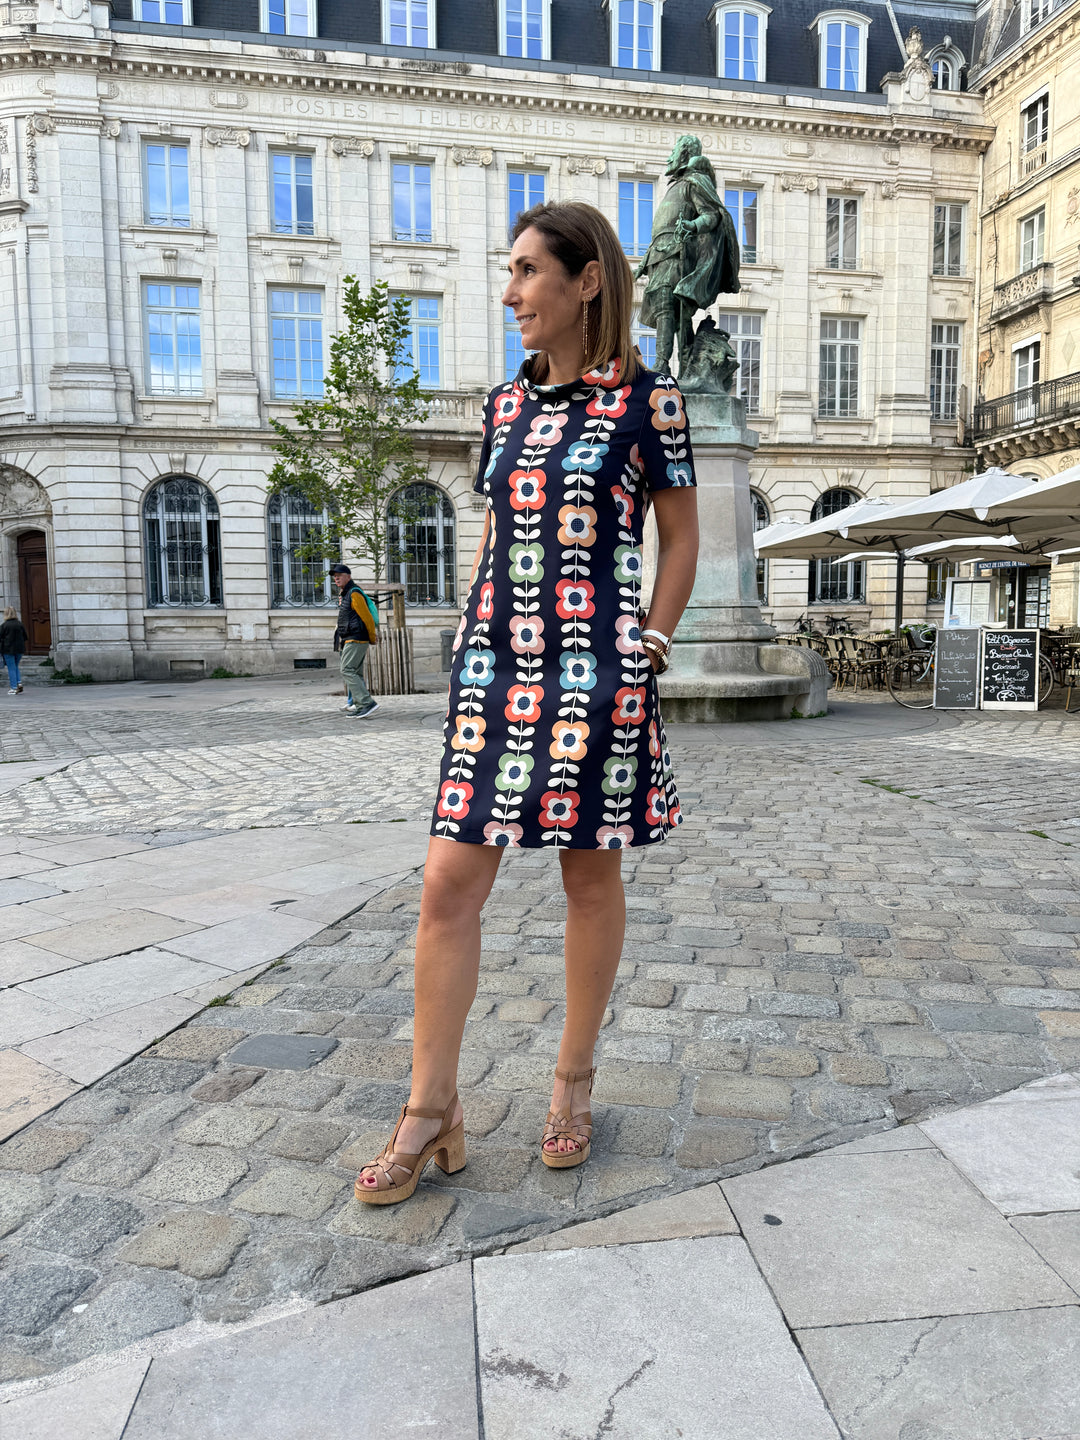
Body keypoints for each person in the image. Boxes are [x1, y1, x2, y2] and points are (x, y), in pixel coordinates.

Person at [355, 199, 699, 1205]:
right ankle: (432, 1108)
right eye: (509, 272)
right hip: (495, 670)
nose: (510, 292)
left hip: (597, 668)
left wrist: (650, 646)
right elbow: (499, 531)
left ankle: (573, 1081)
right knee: (446, 886)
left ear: (586, 281)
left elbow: (680, 537)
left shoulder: (648, 402)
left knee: (588, 880)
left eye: (526, 271)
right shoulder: (503, 406)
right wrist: (472, 635)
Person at [634, 134, 740, 375]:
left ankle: (662, 364)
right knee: (675, 315)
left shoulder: (694, 181)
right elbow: (658, 235)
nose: (669, 158)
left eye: (673, 152)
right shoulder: (676, 186)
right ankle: (687, 367)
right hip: (660, 256)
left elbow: (712, 215)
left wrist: (692, 226)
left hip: (678, 253)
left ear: (683, 154)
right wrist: (641, 266)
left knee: (668, 306)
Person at [330, 563, 380, 719]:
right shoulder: (346, 594)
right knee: (355, 672)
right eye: (335, 577)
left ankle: (366, 703)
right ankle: (360, 706)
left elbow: (367, 617)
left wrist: (371, 636)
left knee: (347, 669)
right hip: (350, 637)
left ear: (348, 576)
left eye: (339, 575)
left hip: (356, 638)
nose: (336, 579)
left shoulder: (354, 593)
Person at [1, 607, 28, 695]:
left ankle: (13, 687)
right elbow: (25, 637)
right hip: (19, 649)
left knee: (11, 668)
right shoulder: (20, 624)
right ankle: (19, 683)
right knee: (15, 666)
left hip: (8, 649)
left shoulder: (4, 625)